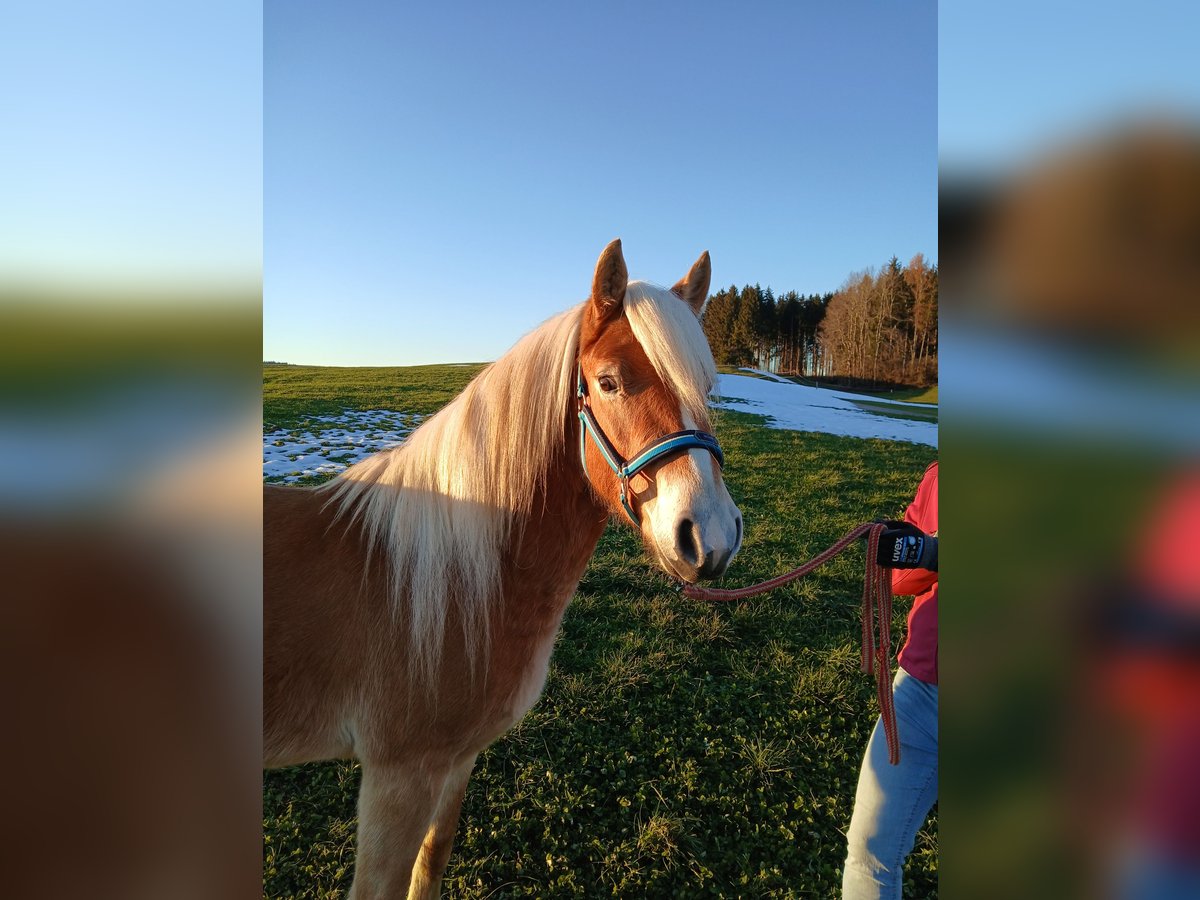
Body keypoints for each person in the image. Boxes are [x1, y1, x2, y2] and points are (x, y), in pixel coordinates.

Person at [842, 461, 938, 899]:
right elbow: (901, 579)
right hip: (921, 689)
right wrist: (911, 548)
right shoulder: (942, 476)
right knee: (869, 850)